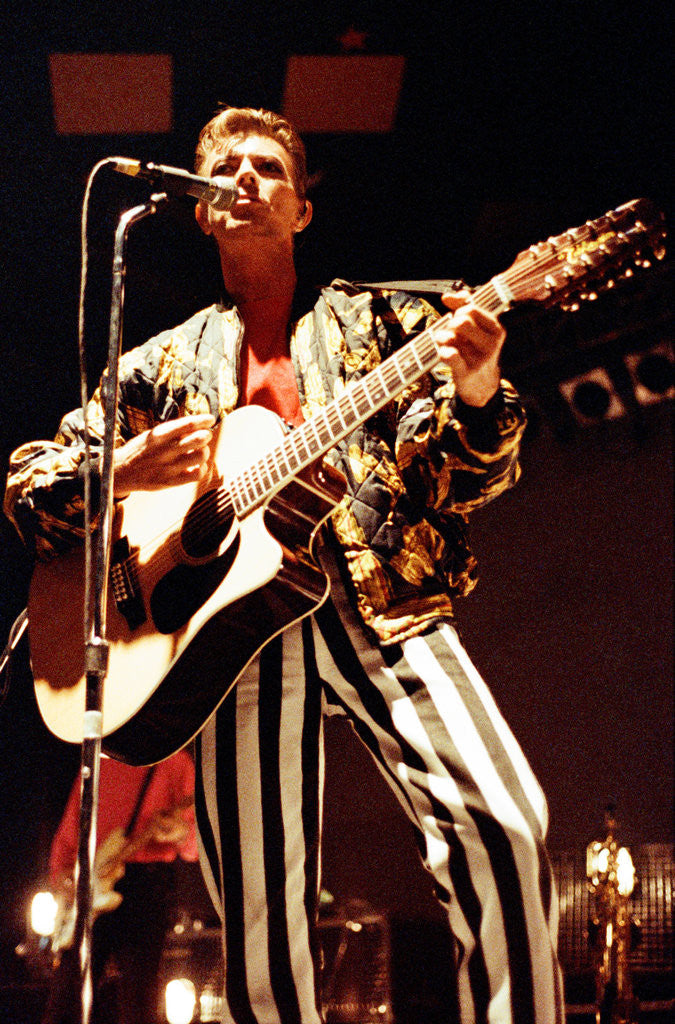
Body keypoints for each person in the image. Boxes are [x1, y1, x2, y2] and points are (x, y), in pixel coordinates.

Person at [5, 106, 564, 1023]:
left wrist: (472, 388)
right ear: (199, 209)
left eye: (268, 167)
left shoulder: (384, 321)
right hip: (226, 644)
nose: (245, 177)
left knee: (505, 827)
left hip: (381, 602)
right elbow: (31, 489)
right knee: (261, 924)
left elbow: (472, 477)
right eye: (226, 167)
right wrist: (121, 471)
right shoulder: (157, 364)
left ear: (301, 209)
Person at [43, 752, 198, 1024]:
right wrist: (61, 876)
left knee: (138, 999)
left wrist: (180, 833)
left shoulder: (175, 761)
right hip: (92, 884)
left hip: (146, 885)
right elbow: (69, 835)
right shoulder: (98, 760)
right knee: (66, 995)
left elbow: (197, 845)